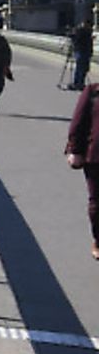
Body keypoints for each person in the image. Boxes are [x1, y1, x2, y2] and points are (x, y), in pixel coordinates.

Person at [65, 84, 99, 260]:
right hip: (96, 157)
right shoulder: (93, 91)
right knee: (97, 204)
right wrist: (75, 150)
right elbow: (78, 122)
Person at [70, 20, 93, 91]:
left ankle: (77, 83)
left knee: (80, 68)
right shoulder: (86, 32)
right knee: (82, 69)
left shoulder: (80, 31)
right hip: (84, 52)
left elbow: (75, 40)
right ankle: (80, 83)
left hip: (80, 52)